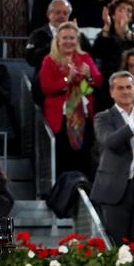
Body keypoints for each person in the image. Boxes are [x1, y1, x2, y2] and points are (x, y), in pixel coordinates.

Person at [92, 72, 134, 243]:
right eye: (120, 88)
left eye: (129, 87)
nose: (125, 91)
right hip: (115, 190)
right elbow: (110, 141)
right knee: (118, 243)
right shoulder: (103, 117)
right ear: (111, 92)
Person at [39, 21, 103, 178]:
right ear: (58, 40)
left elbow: (99, 80)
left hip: (83, 119)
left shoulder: (85, 57)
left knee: (84, 159)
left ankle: (84, 192)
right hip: (60, 121)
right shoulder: (49, 60)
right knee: (64, 160)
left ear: (77, 40)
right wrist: (68, 79)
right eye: (65, 38)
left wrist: (88, 75)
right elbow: (47, 87)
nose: (69, 41)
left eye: (72, 38)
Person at [92, 0, 134, 79]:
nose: (125, 13)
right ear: (113, 15)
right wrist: (107, 27)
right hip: (109, 80)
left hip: (133, 79)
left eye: (129, 11)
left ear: (131, 17)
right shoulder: (105, 33)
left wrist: (126, 31)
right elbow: (96, 54)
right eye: (121, 9)